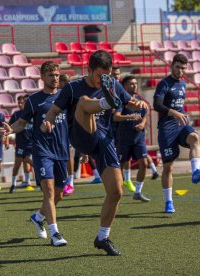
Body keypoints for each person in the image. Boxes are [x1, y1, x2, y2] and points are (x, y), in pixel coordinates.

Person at [42, 50, 148, 255]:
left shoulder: (112, 84)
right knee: (83, 101)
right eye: (100, 75)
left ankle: (102, 237)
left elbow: (129, 102)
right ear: (89, 70)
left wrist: (137, 103)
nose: (103, 80)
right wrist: (48, 121)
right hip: (81, 135)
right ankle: (105, 103)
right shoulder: (72, 87)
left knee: (116, 192)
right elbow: (53, 111)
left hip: (104, 140)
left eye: (107, 76)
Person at [1, 61, 69, 247]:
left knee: (58, 195)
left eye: (56, 75)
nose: (54, 78)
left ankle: (38, 217)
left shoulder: (66, 97)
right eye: (50, 75)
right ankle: (55, 233)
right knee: (48, 192)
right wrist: (10, 130)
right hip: (42, 150)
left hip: (61, 151)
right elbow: (21, 123)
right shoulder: (34, 100)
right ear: (42, 77)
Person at [153, 53, 200, 213]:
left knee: (195, 138)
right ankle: (168, 201)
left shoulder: (183, 84)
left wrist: (180, 115)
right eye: (177, 67)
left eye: (183, 68)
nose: (180, 71)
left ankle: (196, 172)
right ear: (172, 66)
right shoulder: (164, 83)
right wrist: (174, 113)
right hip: (166, 128)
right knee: (168, 167)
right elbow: (157, 105)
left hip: (181, 125)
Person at [113, 75, 150, 202]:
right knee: (120, 167)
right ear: (124, 86)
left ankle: (138, 191)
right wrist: (128, 117)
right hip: (124, 139)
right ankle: (117, 192)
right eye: (131, 84)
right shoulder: (121, 101)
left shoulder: (140, 99)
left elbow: (144, 115)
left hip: (138, 138)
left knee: (144, 164)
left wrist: (142, 124)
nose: (134, 86)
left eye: (135, 83)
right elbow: (116, 117)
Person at [8, 95, 33, 193]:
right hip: (21, 143)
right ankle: (13, 184)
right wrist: (7, 138)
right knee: (17, 164)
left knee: (28, 160)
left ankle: (32, 181)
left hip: (31, 142)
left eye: (21, 102)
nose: (20, 104)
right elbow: (9, 126)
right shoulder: (16, 114)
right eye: (18, 102)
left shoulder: (32, 113)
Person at [59, 73, 75, 195]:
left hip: (68, 127)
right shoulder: (57, 94)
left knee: (68, 154)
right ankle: (62, 181)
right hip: (57, 127)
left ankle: (70, 182)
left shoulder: (72, 95)